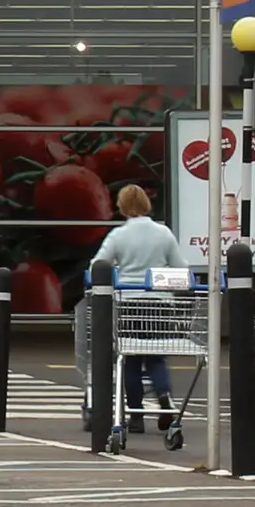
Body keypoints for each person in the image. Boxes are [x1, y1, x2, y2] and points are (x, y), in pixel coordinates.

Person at [84, 182, 195, 431]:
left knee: (130, 359)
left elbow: (98, 265)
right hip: (159, 305)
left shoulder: (118, 235)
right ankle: (164, 397)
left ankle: (136, 416)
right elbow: (181, 268)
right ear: (146, 204)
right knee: (156, 357)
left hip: (129, 303)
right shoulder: (163, 233)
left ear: (121, 208)